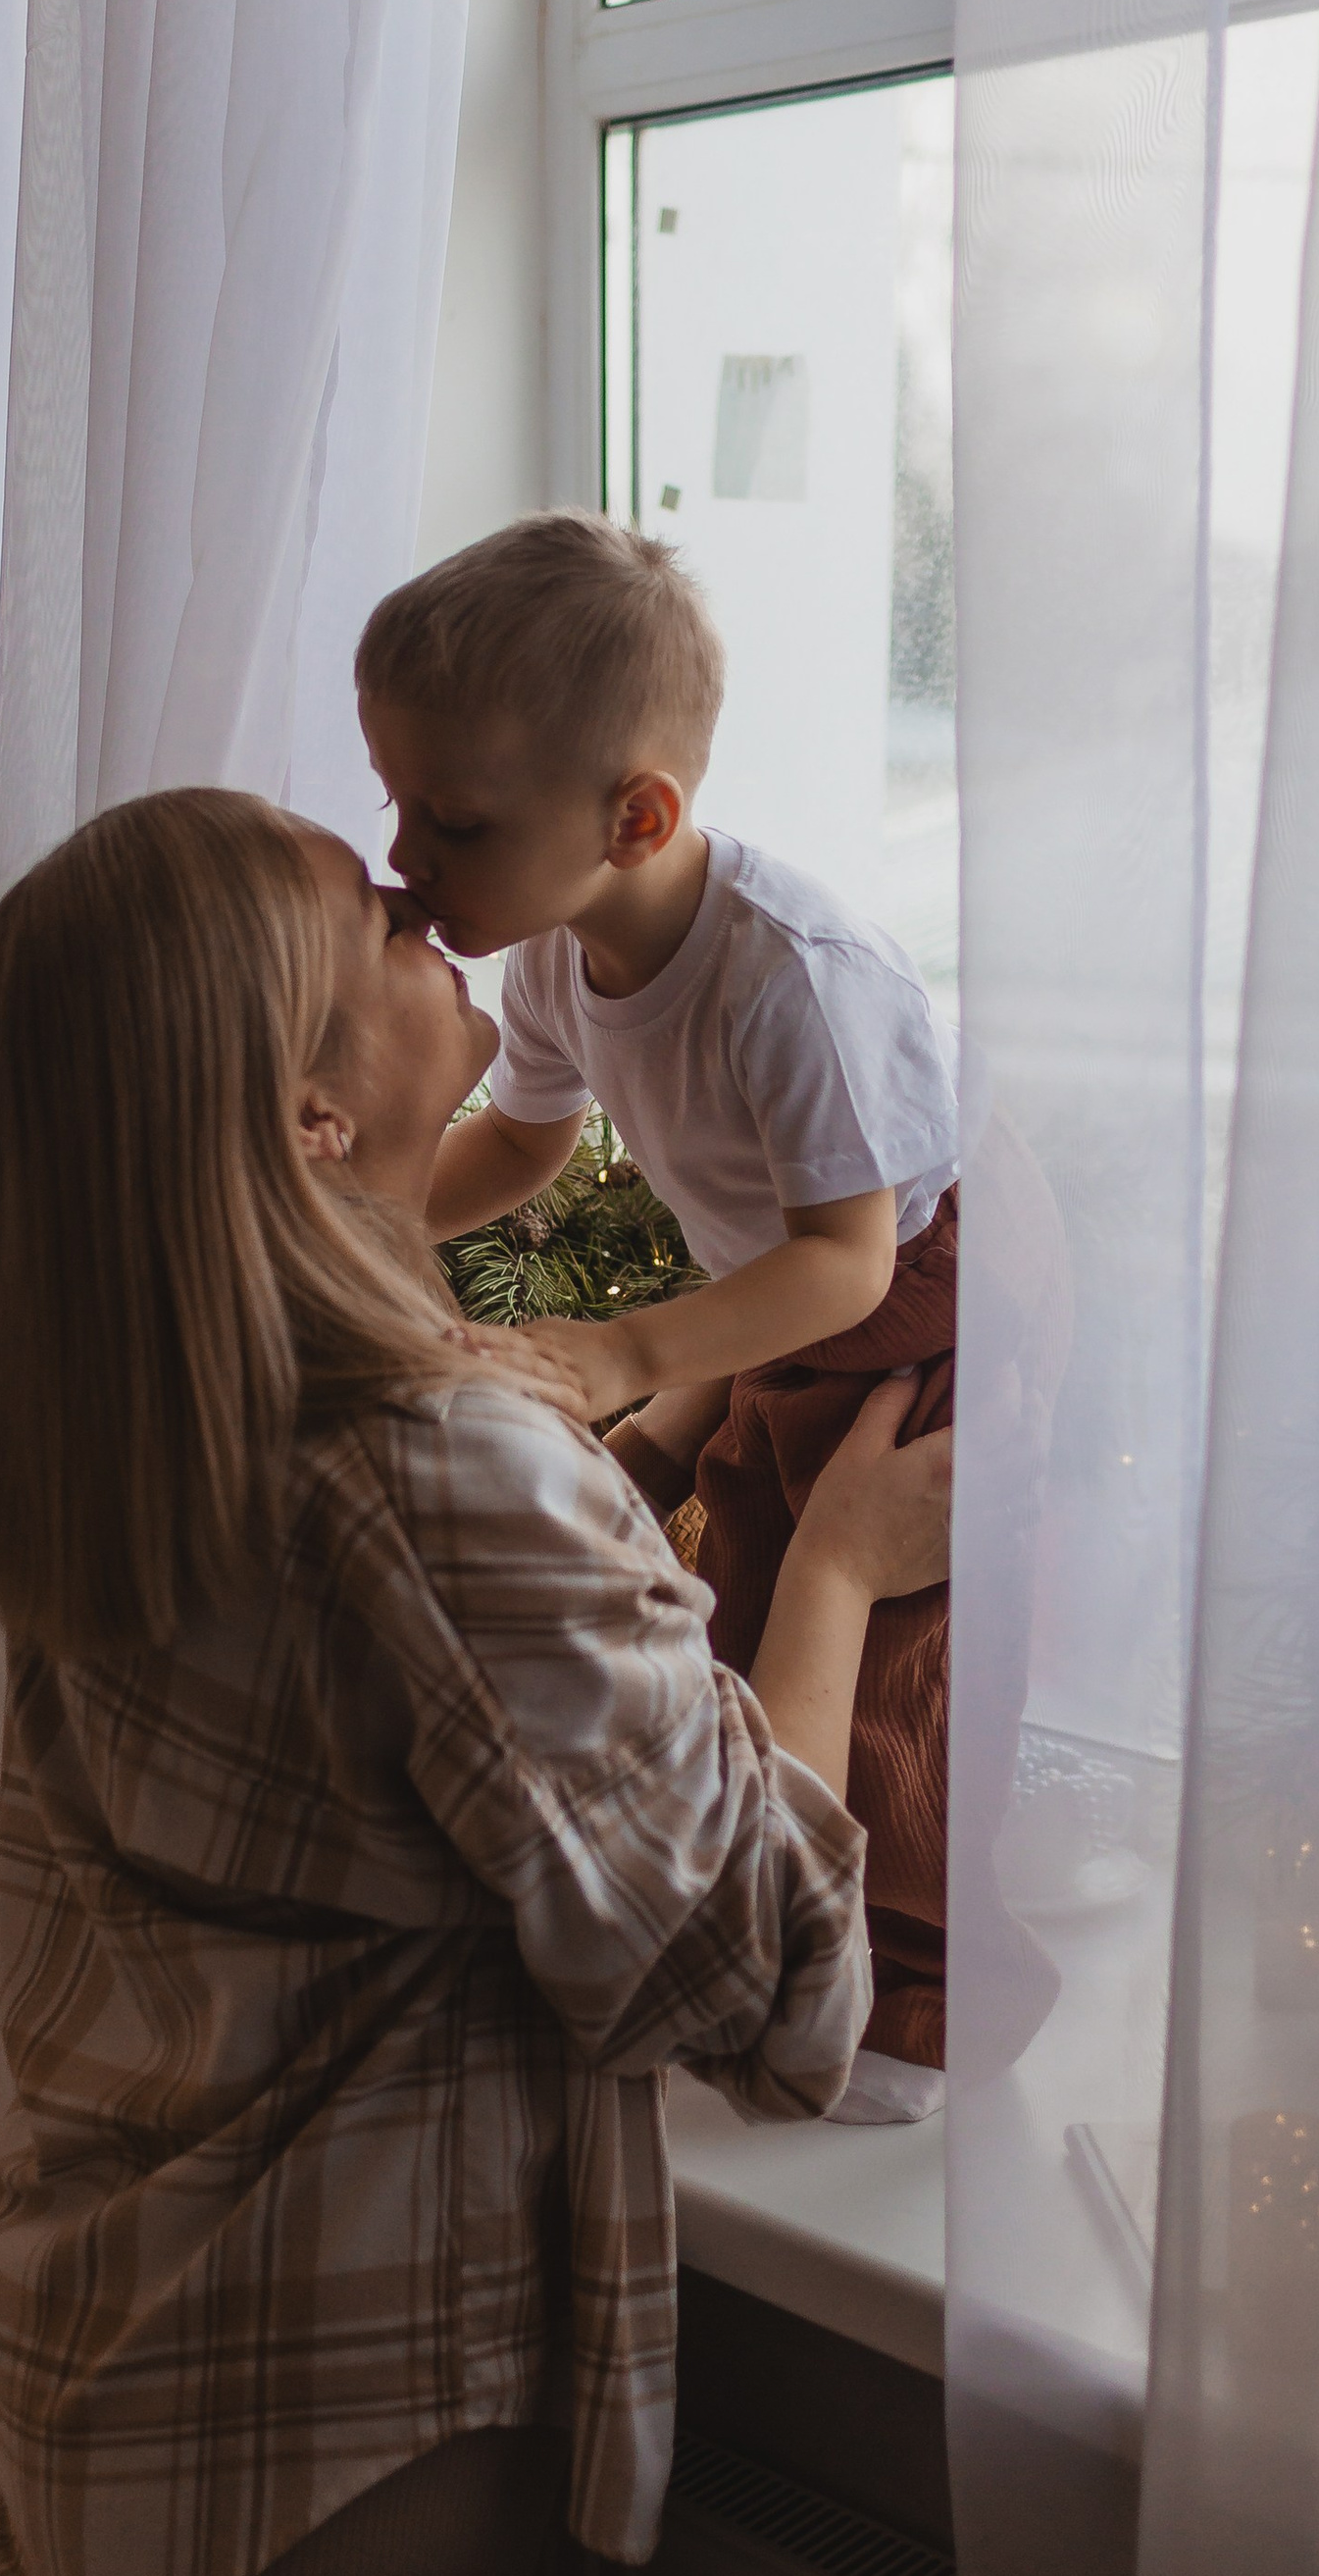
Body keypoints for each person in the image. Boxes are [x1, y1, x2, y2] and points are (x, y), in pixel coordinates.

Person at [0, 784, 954, 2576]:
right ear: (313, 1113)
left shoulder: (137, 1434)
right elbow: (776, 1986)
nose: (430, 921)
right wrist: (825, 1581)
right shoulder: (427, 1474)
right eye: (374, 923)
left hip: (137, 2334)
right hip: (328, 2427)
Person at [356, 511, 962, 2085]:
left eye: (455, 822)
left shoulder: (791, 978)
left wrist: (630, 1353)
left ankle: (909, 1970)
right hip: (778, 1303)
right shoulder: (557, 955)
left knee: (900, 1660)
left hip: (919, 1311)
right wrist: (330, 1217)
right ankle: (780, 1925)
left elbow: (855, 1256)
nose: (406, 863)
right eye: (399, 807)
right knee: (743, 1578)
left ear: (637, 814)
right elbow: (529, 1141)